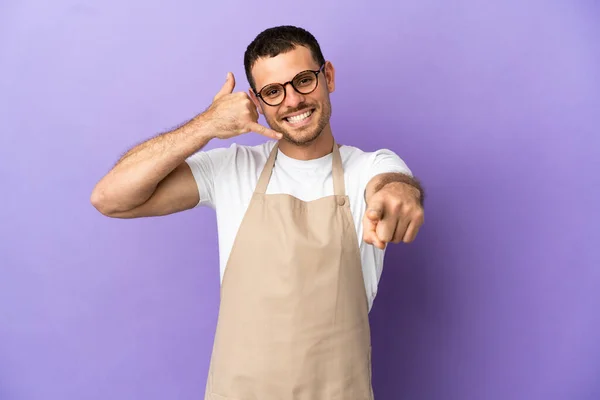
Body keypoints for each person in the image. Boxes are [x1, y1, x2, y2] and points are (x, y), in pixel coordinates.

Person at [91, 25, 424, 400]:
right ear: (257, 101)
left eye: (303, 80)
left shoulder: (369, 167)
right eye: (273, 91)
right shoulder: (230, 169)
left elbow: (393, 184)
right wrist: (207, 125)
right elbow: (110, 197)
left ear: (327, 76)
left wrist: (399, 194)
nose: (293, 100)